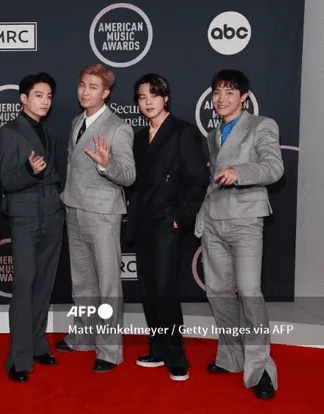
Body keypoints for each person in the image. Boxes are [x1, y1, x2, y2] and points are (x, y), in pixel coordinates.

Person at [195, 69, 284, 399]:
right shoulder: (213, 133)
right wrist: (203, 217)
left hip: (246, 220)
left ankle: (261, 368)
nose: (221, 99)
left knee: (249, 293)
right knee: (218, 292)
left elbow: (274, 168)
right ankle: (231, 357)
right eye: (217, 92)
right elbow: (212, 181)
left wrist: (240, 172)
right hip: (215, 220)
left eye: (230, 92)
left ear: (244, 97)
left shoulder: (262, 126)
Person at [126, 73, 209, 381]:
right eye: (142, 97)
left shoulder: (182, 132)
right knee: (148, 289)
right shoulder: (136, 137)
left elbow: (198, 180)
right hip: (142, 222)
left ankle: (176, 355)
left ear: (166, 98)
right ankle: (158, 348)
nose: (147, 102)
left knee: (165, 289)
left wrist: (179, 217)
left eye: (153, 96)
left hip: (166, 223)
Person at [57, 64, 136, 372]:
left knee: (107, 284)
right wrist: (67, 199)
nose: (84, 91)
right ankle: (84, 337)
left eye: (92, 87)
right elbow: (70, 164)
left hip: (103, 214)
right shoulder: (77, 121)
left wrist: (106, 164)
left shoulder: (119, 127)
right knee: (83, 282)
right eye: (81, 85)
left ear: (105, 93)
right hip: (74, 210)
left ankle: (109, 350)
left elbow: (128, 175)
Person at [0, 73, 63, 383]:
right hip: (24, 217)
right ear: (23, 98)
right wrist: (28, 170)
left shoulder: (48, 133)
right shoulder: (8, 132)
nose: (45, 101)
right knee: (24, 286)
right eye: (38, 95)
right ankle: (18, 358)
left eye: (48, 96)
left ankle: (37, 345)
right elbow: (6, 181)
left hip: (52, 215)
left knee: (44, 284)